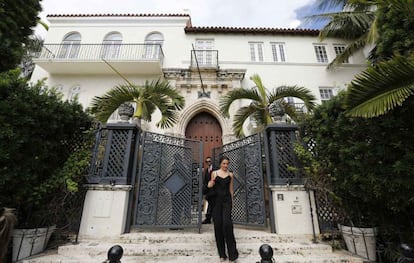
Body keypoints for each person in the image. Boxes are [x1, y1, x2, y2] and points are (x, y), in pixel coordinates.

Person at [207, 156, 239, 262]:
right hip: (216, 203)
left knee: (227, 225)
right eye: (224, 163)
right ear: (220, 163)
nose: (225, 165)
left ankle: (232, 254)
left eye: (227, 163)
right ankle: (222, 254)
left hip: (226, 202)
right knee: (218, 226)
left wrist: (232, 202)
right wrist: (210, 184)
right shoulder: (214, 173)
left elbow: (231, 190)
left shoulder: (230, 175)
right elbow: (209, 185)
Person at [202, 156, 214, 224]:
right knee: (209, 204)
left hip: (215, 190)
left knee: (214, 205)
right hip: (209, 191)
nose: (208, 163)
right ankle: (208, 218)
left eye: (209, 161)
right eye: (207, 162)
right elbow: (206, 180)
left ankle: (212, 218)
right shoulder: (207, 170)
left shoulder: (215, 169)